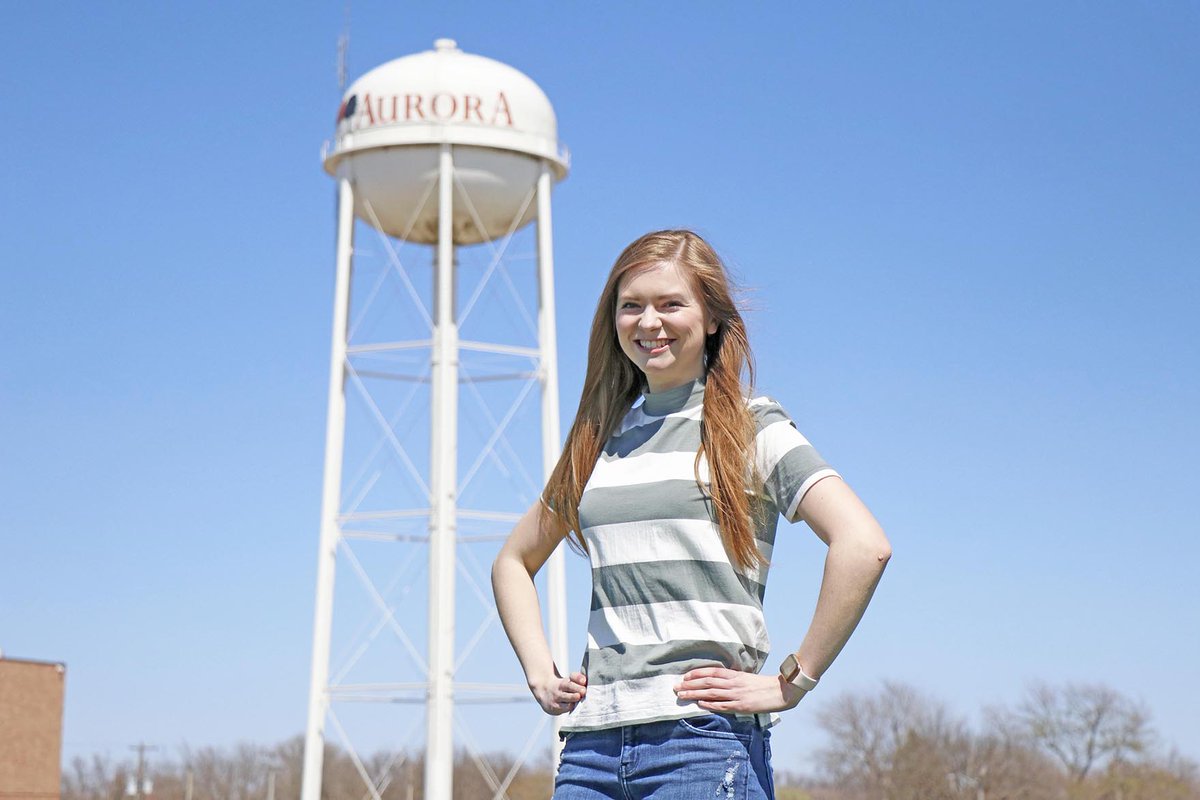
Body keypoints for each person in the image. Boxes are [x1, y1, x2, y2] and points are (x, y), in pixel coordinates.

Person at [492, 229, 891, 800]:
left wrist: (792, 681)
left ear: (710, 319)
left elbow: (864, 544)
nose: (649, 322)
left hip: (703, 740)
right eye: (631, 306)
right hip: (589, 749)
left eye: (670, 304)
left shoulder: (751, 426)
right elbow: (512, 561)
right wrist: (539, 669)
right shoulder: (595, 441)